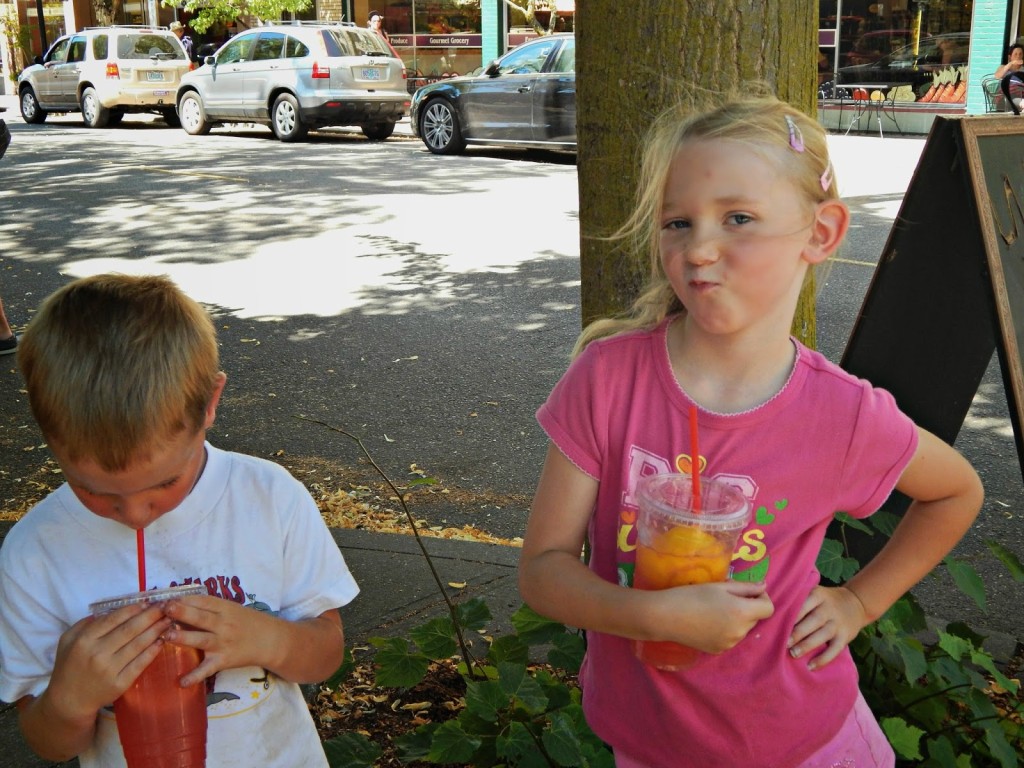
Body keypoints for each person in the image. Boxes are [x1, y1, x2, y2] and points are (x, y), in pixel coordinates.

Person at [518, 94, 983, 767]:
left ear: (820, 234)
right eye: (677, 222)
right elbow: (542, 572)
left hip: (804, 742)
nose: (699, 248)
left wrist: (858, 601)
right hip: (650, 743)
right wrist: (653, 618)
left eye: (739, 218)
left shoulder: (843, 415)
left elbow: (956, 491)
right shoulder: (608, 380)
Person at [0, 274, 359, 767]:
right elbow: (48, 741)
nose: (135, 515)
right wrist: (68, 699)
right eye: (95, 491)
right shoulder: (34, 553)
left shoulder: (269, 497)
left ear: (210, 403)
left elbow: (326, 654)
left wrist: (265, 637)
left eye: (163, 484)